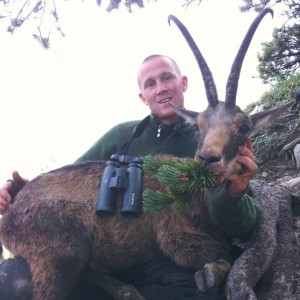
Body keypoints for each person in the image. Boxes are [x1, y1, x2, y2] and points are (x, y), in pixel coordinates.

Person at [0, 54, 259, 300]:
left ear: (183, 83)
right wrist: (19, 189)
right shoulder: (123, 135)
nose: (161, 88)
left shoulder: (216, 144)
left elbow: (245, 223)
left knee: (195, 288)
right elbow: (67, 178)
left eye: (167, 78)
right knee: (15, 282)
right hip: (92, 244)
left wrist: (234, 193)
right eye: (150, 83)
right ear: (143, 96)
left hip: (150, 264)